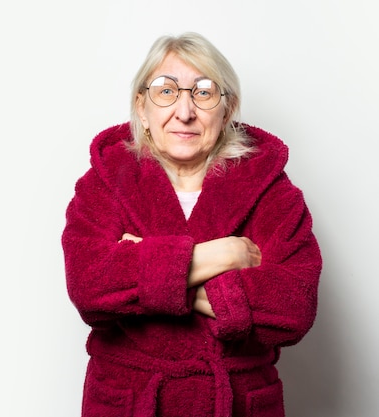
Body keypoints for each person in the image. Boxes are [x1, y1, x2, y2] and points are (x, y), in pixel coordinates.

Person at [61, 32, 322, 417]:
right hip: (132, 402)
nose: (184, 112)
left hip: (235, 402)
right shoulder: (104, 181)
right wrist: (222, 254)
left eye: (203, 92)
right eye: (166, 91)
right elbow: (89, 287)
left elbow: (293, 309)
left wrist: (144, 266)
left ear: (228, 108)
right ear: (142, 106)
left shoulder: (272, 191)